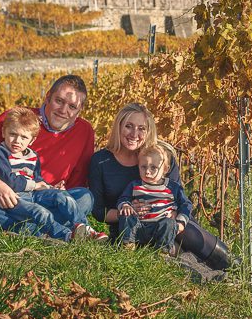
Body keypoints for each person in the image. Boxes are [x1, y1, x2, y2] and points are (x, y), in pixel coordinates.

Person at [88, 103, 231, 270]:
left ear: (149, 131)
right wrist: (125, 211)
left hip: (168, 221)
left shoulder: (162, 157)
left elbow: (179, 199)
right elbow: (98, 211)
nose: (135, 134)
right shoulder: (101, 161)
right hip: (132, 226)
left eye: (141, 128)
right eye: (128, 126)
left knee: (186, 234)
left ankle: (232, 266)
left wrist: (170, 218)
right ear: (118, 127)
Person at [0, 75, 97, 237]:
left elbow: (78, 182)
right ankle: (40, 230)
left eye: (72, 106)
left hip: (45, 198)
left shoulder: (84, 132)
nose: (63, 110)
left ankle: (3, 226)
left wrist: (61, 191)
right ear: (48, 96)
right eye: (59, 101)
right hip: (5, 198)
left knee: (85, 198)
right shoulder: (18, 119)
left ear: (79, 110)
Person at [0, 106, 106, 242]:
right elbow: (9, 180)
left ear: (31, 141)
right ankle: (65, 235)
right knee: (41, 212)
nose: (17, 141)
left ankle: (86, 229)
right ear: (4, 132)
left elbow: (37, 179)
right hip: (15, 199)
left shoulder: (32, 156)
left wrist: (50, 188)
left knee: (63, 197)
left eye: (24, 137)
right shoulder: (0, 152)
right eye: (13, 134)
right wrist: (35, 185)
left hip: (34, 194)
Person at [117, 144, 192, 252]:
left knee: (169, 223)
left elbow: (186, 204)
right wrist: (125, 205)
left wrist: (181, 222)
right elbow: (123, 198)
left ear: (165, 169)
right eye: (143, 167)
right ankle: (128, 244)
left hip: (160, 228)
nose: (147, 171)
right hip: (138, 227)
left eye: (153, 168)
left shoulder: (172, 187)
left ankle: (163, 249)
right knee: (127, 216)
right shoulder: (135, 185)